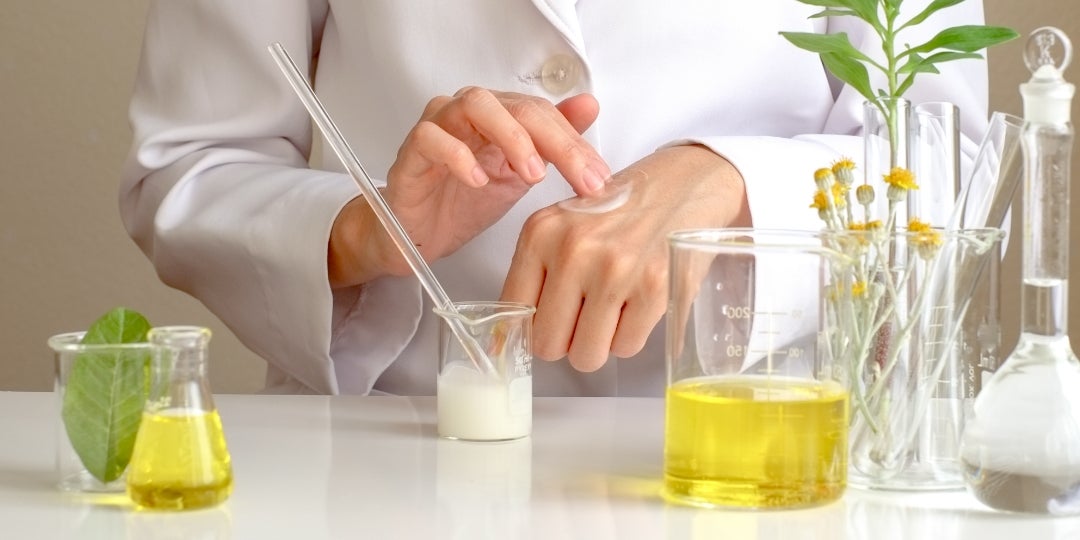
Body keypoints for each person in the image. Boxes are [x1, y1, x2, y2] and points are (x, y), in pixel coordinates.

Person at [120, 1, 992, 396]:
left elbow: (945, 156)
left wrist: (727, 185)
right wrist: (365, 231)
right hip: (393, 449)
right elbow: (191, 163)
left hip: (760, 444)